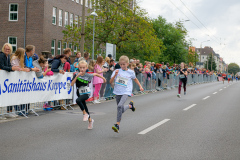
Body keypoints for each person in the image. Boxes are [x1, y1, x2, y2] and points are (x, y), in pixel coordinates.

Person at [110, 55, 144, 133]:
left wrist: (140, 86)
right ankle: (130, 106)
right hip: (117, 91)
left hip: (126, 91)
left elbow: (135, 79)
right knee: (120, 109)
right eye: (121, 64)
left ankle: (117, 125)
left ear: (127, 64)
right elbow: (110, 82)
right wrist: (115, 74)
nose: (122, 66)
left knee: (119, 106)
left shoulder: (131, 72)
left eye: (124, 64)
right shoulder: (116, 71)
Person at [71, 60, 106, 129]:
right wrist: (76, 76)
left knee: (78, 101)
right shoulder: (76, 74)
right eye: (81, 67)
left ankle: (84, 114)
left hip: (86, 92)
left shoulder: (87, 75)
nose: (82, 69)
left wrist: (103, 78)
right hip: (79, 92)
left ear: (86, 68)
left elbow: (95, 74)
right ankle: (90, 121)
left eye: (84, 68)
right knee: (84, 106)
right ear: (78, 67)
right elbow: (72, 84)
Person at [0, 43, 21, 119]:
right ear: (3, 49)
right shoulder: (1, 55)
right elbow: (1, 66)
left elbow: (8, 66)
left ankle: (9, 112)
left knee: (8, 96)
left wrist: (13, 67)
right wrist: (11, 69)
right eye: (6, 49)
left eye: (8, 49)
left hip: (5, 79)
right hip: (2, 79)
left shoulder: (8, 56)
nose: (7, 50)